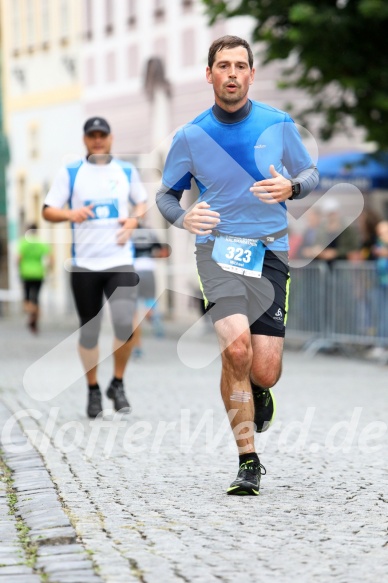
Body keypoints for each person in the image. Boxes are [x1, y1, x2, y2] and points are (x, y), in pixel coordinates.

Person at [156, 36, 319, 496]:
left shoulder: (278, 124)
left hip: (269, 251)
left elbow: (309, 174)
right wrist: (184, 217)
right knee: (236, 351)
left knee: (264, 369)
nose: (231, 73)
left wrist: (293, 189)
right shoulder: (190, 135)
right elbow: (166, 196)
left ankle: (259, 391)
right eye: (222, 65)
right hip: (218, 251)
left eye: (240, 65)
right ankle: (248, 461)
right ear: (208, 74)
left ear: (251, 74)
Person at [42, 117, 147, 418]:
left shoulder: (126, 170)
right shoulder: (72, 172)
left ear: (111, 138)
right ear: (85, 140)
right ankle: (92, 390)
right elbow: (48, 211)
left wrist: (134, 219)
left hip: (119, 260)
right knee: (90, 332)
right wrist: (69, 214)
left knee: (126, 325)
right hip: (85, 264)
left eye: (102, 135)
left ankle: (117, 382)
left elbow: (140, 203)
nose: (98, 140)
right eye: (92, 136)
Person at [131, 224, 167, 357]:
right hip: (149, 268)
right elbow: (162, 251)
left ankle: (137, 347)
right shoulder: (150, 232)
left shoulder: (128, 232)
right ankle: (152, 315)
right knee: (150, 300)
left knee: (133, 310)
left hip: (133, 270)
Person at [17, 223, 52, 333]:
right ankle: (34, 319)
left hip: (26, 273)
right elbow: (50, 258)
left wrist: (19, 268)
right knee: (36, 298)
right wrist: (49, 269)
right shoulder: (41, 242)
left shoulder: (23, 242)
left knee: (27, 298)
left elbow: (18, 258)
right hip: (38, 273)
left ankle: (31, 313)